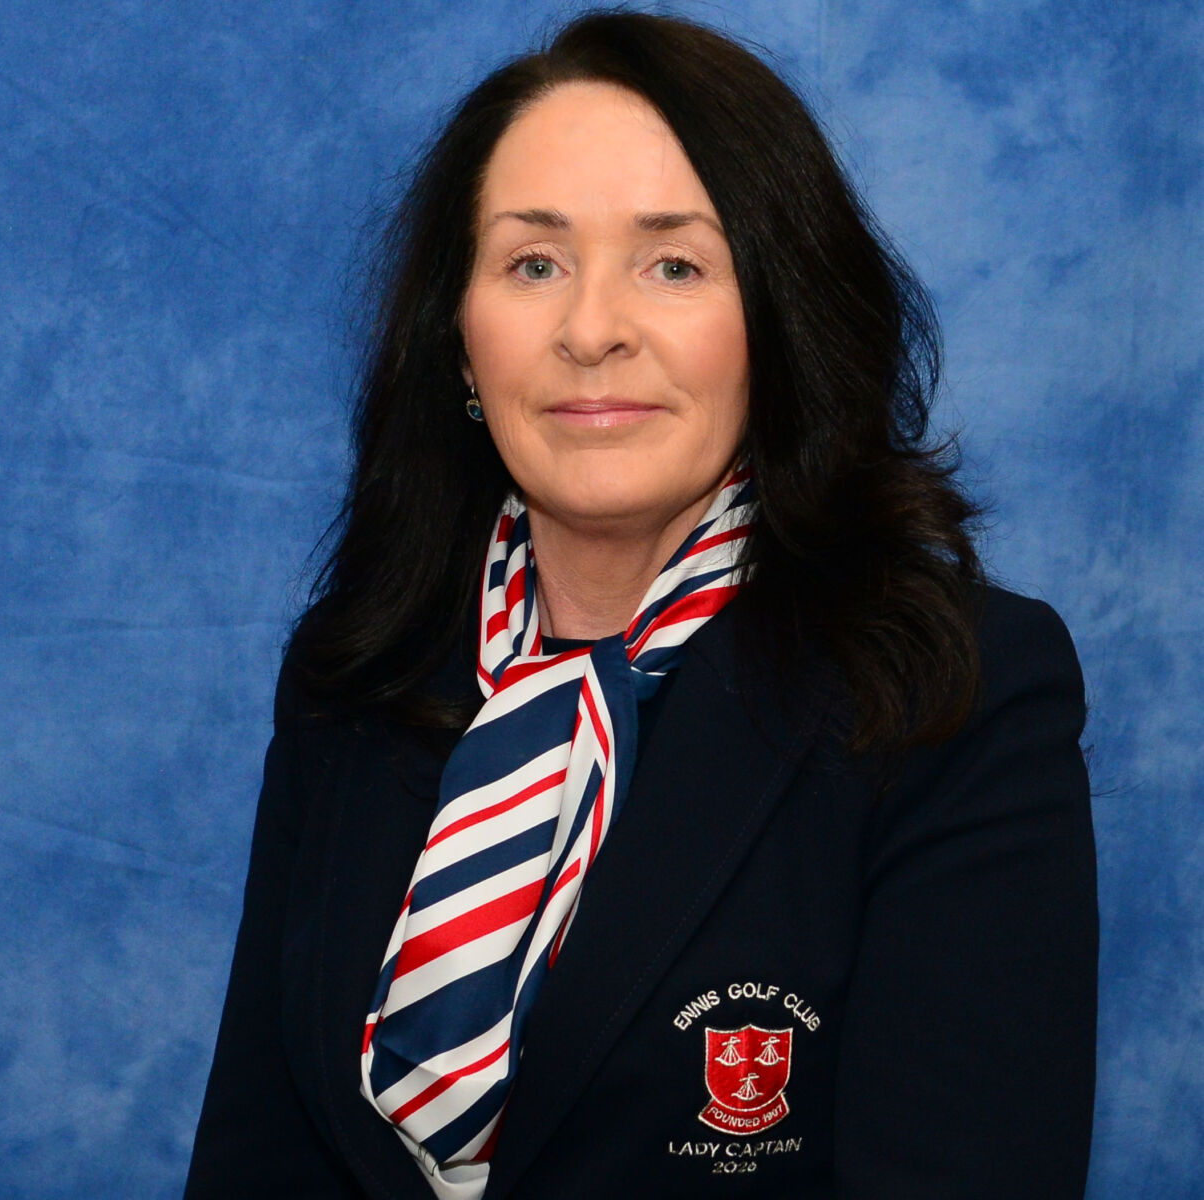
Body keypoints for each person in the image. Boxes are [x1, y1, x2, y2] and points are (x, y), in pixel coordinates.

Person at [184, 11, 1097, 1199]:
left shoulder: (951, 692)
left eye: (672, 265)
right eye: (533, 263)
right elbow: (256, 1161)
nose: (591, 331)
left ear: (773, 322)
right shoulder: (353, 676)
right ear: (458, 344)